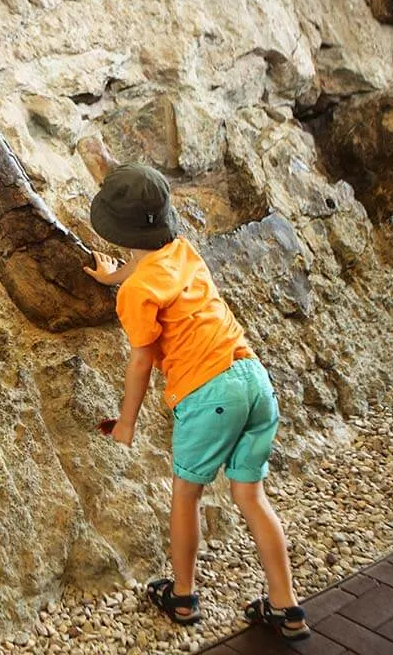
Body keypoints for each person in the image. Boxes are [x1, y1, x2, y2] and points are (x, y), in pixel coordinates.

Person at [81, 158, 310, 641]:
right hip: (252, 379)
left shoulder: (135, 292)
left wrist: (126, 424)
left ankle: (182, 597)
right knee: (250, 496)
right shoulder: (183, 251)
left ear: (114, 228)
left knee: (186, 495)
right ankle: (287, 607)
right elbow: (152, 273)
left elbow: (141, 360)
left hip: (209, 396)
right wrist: (114, 276)